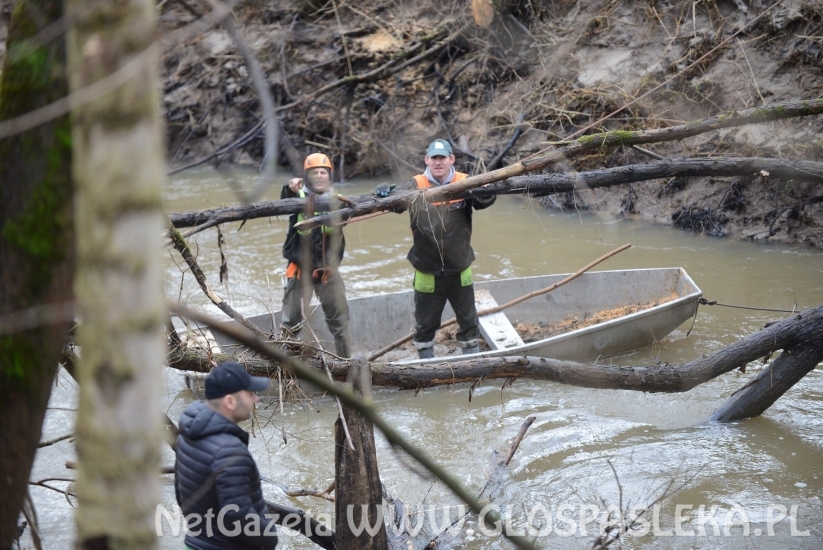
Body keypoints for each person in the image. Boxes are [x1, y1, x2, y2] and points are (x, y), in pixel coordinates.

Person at [375, 139, 496, 359]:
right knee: (424, 325)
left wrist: (487, 189)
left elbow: (485, 201)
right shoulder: (415, 184)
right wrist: (385, 193)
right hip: (426, 269)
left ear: (452, 159)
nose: (438, 162)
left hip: (460, 268)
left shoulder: (465, 181)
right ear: (427, 160)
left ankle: (473, 363)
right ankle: (426, 366)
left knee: (469, 322)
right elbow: (395, 205)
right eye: (434, 158)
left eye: (442, 158)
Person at [174, 362, 278, 550]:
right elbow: (238, 515)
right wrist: (270, 537)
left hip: (194, 543)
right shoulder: (230, 451)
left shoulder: (188, 434)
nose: (256, 399)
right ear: (230, 401)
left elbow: (181, 495)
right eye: (250, 394)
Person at [280, 153, 352, 358]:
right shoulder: (296, 198)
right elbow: (283, 199)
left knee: (340, 324)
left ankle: (346, 366)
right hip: (299, 272)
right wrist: (289, 187)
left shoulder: (339, 202)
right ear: (306, 177)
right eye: (314, 173)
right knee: (290, 326)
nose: (319, 176)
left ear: (329, 176)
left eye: (323, 172)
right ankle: (286, 371)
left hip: (328, 273)